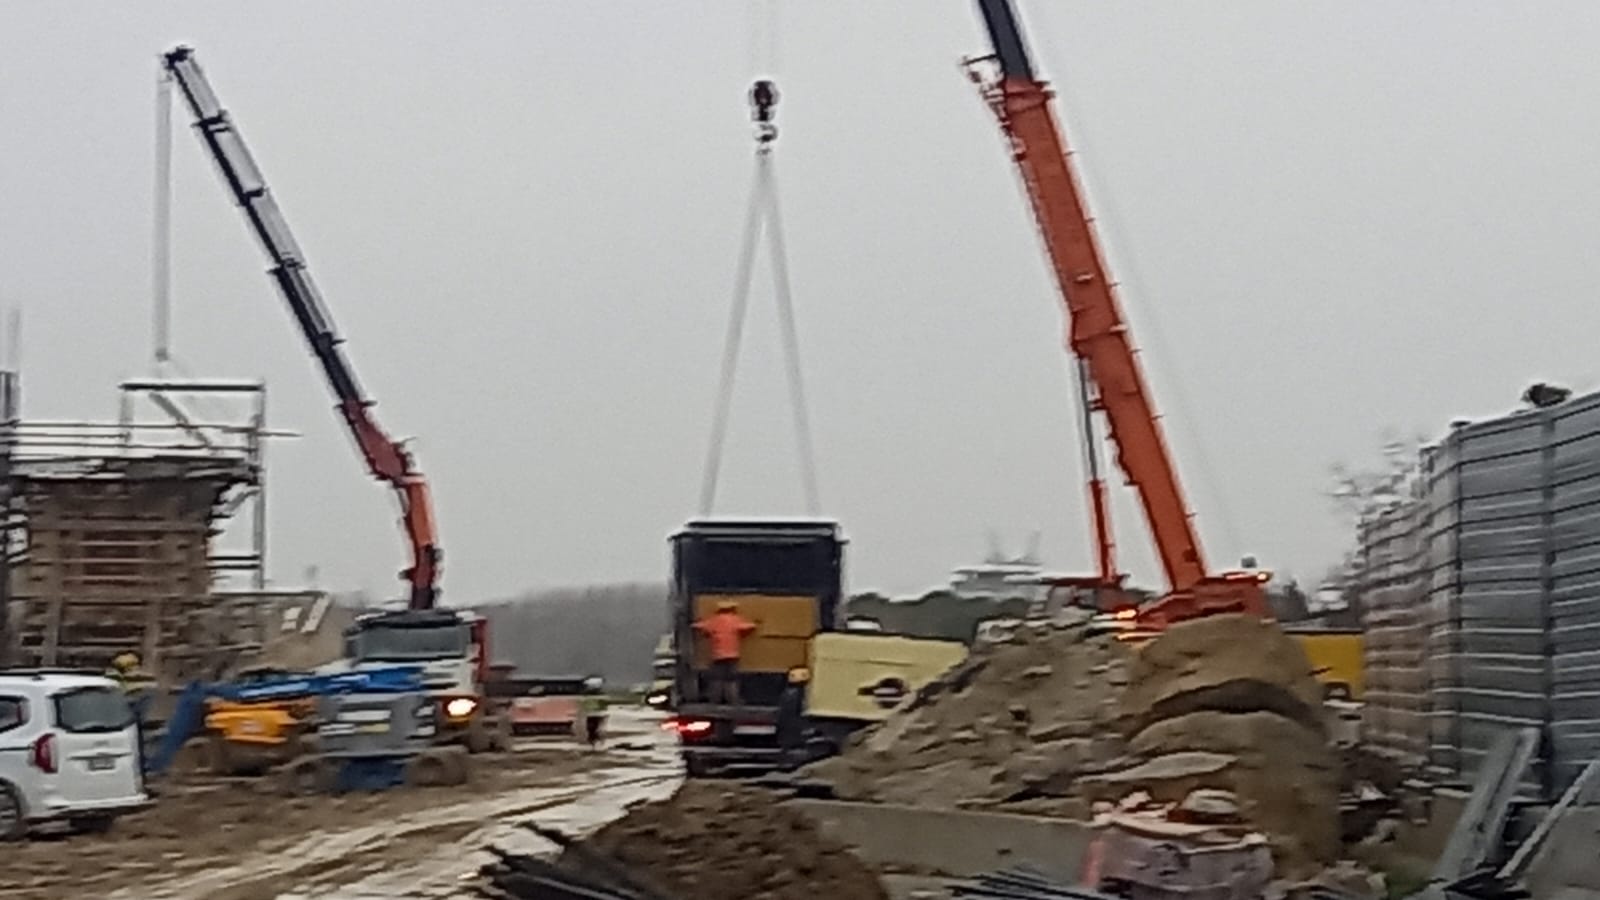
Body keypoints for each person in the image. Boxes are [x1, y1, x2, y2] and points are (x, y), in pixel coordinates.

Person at [693, 600, 756, 705]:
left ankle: (714, 700)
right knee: (731, 679)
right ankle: (733, 700)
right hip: (733, 655)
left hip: (717, 655)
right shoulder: (735, 620)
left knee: (716, 679)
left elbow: (700, 626)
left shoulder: (714, 621)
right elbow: (749, 626)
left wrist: (697, 624)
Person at [579, 677, 607, 750]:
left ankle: (595, 742)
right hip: (595, 714)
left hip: (594, 714)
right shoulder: (600, 694)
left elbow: (584, 704)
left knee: (593, 728)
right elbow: (604, 705)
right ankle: (595, 742)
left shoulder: (588, 695)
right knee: (593, 729)